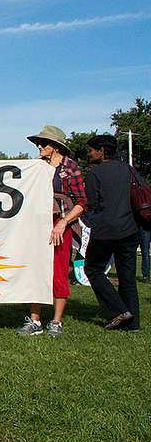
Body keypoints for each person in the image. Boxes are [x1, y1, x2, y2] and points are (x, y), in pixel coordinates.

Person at [15, 126, 87, 337]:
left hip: (59, 225)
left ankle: (56, 321)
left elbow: (82, 202)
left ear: (55, 147)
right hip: (37, 225)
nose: (39, 147)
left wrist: (63, 222)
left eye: (43, 144)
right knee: (35, 271)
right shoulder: (36, 167)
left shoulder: (70, 168)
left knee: (59, 272)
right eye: (38, 143)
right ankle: (35, 320)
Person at [83, 134, 141, 331]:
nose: (89, 154)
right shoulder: (129, 170)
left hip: (105, 231)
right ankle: (133, 324)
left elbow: (92, 204)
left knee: (92, 269)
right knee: (127, 277)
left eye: (91, 150)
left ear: (101, 151)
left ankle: (118, 310)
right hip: (130, 230)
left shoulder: (94, 174)